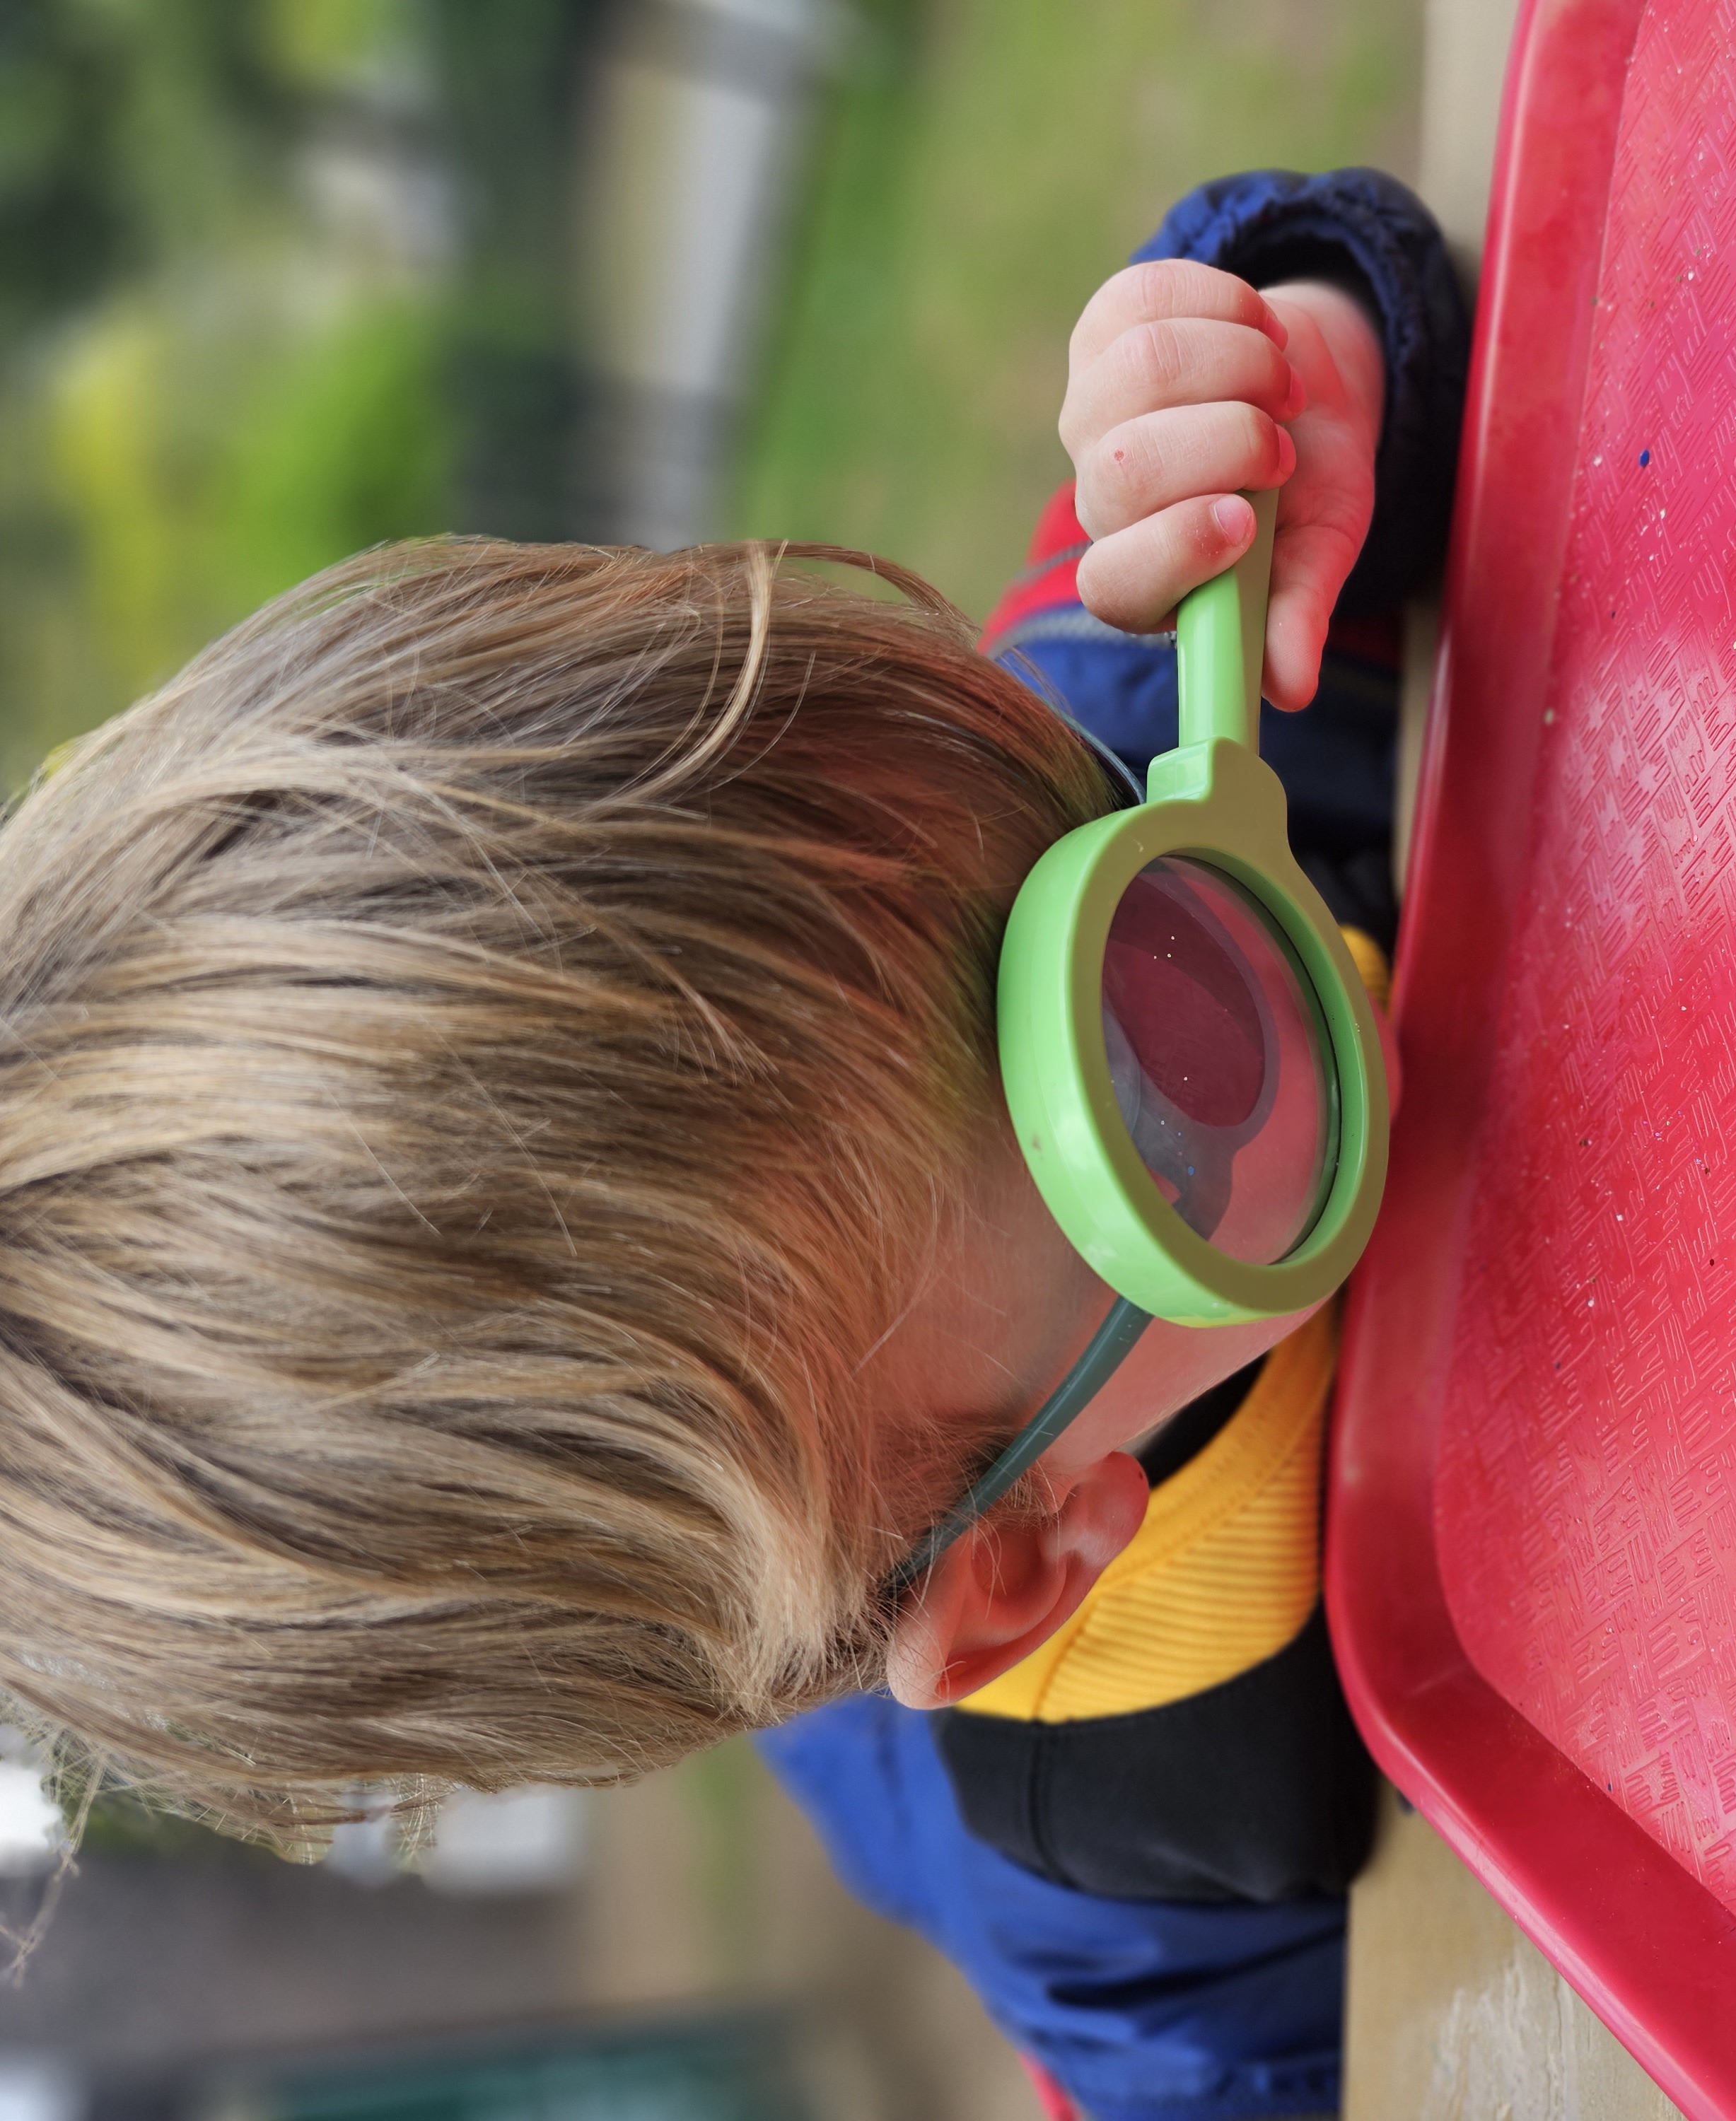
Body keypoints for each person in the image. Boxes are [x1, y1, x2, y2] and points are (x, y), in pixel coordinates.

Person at [0, 168, 1467, 2121]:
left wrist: (1288, 351)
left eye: (1088, 860)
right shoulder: (1166, 1871)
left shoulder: (1075, 742)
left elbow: (1302, 299)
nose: (1251, 957)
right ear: (1030, 1550)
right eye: (1150, 1114)